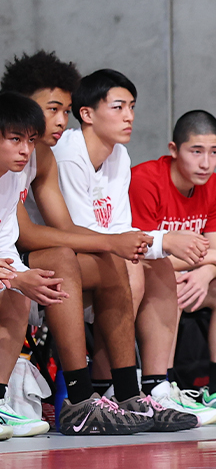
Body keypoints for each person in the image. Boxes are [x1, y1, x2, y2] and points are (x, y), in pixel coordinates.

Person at [1, 51, 159, 435]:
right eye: (52, 109)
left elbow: (64, 226)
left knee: (108, 261)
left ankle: (128, 392)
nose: (61, 120)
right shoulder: (25, 156)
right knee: (63, 258)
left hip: (14, 254)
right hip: (22, 255)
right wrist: (110, 240)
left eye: (65, 111)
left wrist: (110, 245)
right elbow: (28, 233)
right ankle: (79, 397)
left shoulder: (38, 156)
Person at [53, 68, 208, 431]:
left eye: (132, 107)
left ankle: (152, 386)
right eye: (118, 106)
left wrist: (161, 245)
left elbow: (119, 230)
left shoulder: (118, 155)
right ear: (86, 114)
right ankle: (114, 388)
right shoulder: (68, 153)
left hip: (98, 253)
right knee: (128, 264)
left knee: (156, 265)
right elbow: (81, 233)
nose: (129, 116)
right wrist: (163, 239)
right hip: (60, 256)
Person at [129, 110, 216, 425]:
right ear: (173, 149)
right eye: (196, 151)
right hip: (143, 276)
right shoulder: (145, 180)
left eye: (214, 152)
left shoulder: (214, 184)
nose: (206, 163)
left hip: (186, 273)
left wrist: (206, 272)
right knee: (171, 286)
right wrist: (213, 260)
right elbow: (141, 252)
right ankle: (162, 389)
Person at [0, 92, 58, 437]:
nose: (25, 150)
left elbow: (5, 242)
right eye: (15, 139)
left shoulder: (13, 177)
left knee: (17, 296)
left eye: (31, 141)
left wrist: (22, 278)